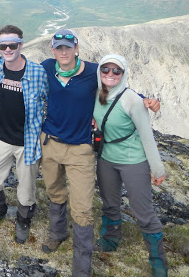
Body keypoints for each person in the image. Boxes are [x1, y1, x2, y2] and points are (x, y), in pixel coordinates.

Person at [40, 28, 160, 277]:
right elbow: (15, 65)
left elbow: (115, 85)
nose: (64, 51)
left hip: (80, 148)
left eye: (68, 47)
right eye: (59, 47)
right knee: (54, 191)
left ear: (76, 49)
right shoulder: (46, 67)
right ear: (53, 50)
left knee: (82, 207)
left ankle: (81, 268)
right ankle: (57, 233)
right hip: (50, 143)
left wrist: (144, 98)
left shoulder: (92, 72)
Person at [93, 54, 167, 276]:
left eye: (117, 71)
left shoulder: (133, 99)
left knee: (143, 212)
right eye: (105, 69)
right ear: (99, 72)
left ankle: (158, 262)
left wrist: (157, 169)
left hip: (133, 161)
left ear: (124, 75)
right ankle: (110, 239)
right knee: (109, 203)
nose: (110, 74)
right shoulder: (96, 94)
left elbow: (146, 135)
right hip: (106, 158)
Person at [0, 25, 48, 245]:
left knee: (26, 188)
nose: (8, 49)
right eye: (3, 45)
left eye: (13, 44)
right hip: (0, 135)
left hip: (27, 140)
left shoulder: (38, 72)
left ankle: (23, 219)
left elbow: (52, 99)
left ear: (21, 44)